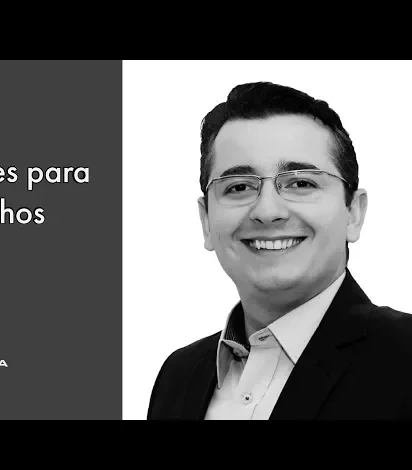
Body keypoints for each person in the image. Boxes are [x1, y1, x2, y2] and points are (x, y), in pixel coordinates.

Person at [147, 81, 412, 420]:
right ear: (206, 221)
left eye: (301, 183)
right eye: (238, 187)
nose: (267, 211)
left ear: (353, 213)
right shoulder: (178, 376)